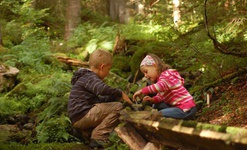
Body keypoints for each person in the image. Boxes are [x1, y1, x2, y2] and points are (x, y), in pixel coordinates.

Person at [68, 49, 133, 148]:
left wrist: (113, 97)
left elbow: (98, 102)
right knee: (118, 107)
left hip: (77, 117)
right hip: (83, 114)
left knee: (114, 105)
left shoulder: (86, 78)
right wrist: (120, 93)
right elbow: (101, 89)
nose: (108, 72)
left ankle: (86, 134)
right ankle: (99, 136)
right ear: (102, 67)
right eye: (108, 69)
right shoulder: (90, 77)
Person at [133, 54, 196, 120]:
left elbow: (160, 86)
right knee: (156, 105)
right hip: (177, 107)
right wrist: (152, 100)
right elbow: (162, 96)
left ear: (155, 66)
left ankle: (160, 116)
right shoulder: (161, 79)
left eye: (146, 72)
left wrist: (142, 91)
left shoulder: (167, 75)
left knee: (158, 114)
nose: (145, 75)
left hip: (186, 109)